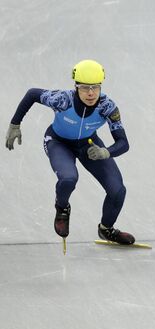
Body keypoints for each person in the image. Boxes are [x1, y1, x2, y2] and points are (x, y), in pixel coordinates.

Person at [5, 59, 135, 245]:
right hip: (58, 142)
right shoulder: (63, 100)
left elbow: (123, 143)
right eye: (84, 88)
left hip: (89, 145)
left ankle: (106, 229)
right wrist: (15, 123)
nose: (90, 93)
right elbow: (32, 94)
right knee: (68, 178)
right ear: (76, 87)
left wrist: (105, 152)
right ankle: (62, 208)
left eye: (95, 87)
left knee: (118, 191)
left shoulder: (107, 107)